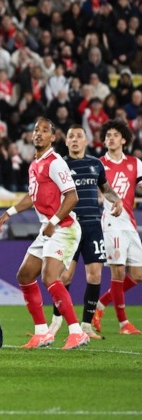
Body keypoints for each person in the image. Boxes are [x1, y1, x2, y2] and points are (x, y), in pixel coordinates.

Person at [0, 118, 90, 350]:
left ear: (53, 138)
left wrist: (54, 221)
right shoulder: (34, 163)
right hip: (48, 228)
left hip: (63, 227)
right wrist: (9, 212)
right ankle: (42, 333)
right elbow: (32, 196)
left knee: (49, 277)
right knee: (25, 275)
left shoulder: (55, 162)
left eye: (44, 131)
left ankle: (77, 332)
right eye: (36, 129)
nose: (38, 133)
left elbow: (72, 196)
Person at [48, 125, 122, 339]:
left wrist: (116, 200)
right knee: (65, 275)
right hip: (70, 226)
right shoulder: (59, 165)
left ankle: (86, 325)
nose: (74, 140)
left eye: (79, 136)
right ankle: (56, 322)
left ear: (86, 141)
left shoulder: (95, 164)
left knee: (95, 275)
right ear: (66, 141)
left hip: (92, 226)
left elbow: (104, 188)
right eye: (71, 136)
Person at [93, 120, 142, 335]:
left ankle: (100, 304)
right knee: (118, 271)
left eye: (115, 135)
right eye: (107, 135)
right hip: (111, 222)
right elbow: (94, 191)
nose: (111, 138)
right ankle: (124, 324)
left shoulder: (136, 163)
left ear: (124, 139)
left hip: (130, 223)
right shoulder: (98, 164)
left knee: (138, 274)